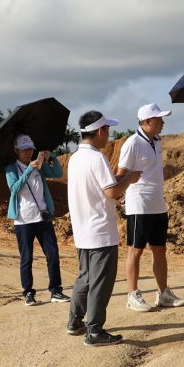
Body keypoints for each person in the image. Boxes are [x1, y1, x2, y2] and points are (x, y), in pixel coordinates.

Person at [66, 111, 142, 346]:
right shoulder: (97, 158)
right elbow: (111, 192)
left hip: (82, 230)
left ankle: (75, 320)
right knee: (101, 282)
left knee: (85, 278)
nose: (108, 135)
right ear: (99, 132)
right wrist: (129, 179)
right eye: (107, 130)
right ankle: (95, 331)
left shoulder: (75, 157)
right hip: (100, 231)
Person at [117, 103, 184, 311]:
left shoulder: (156, 141)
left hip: (158, 203)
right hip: (139, 203)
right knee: (135, 250)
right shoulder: (132, 143)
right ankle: (132, 295)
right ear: (147, 122)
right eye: (159, 119)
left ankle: (163, 293)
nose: (163, 122)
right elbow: (120, 174)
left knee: (160, 249)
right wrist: (124, 193)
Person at [5, 135, 70, 306]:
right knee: (27, 257)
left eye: (30, 149)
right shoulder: (11, 169)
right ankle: (28, 293)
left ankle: (56, 290)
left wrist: (52, 157)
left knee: (53, 254)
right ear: (16, 150)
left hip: (42, 217)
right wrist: (28, 171)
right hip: (23, 220)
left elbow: (58, 173)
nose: (28, 152)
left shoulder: (39, 167)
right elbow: (14, 189)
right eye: (24, 149)